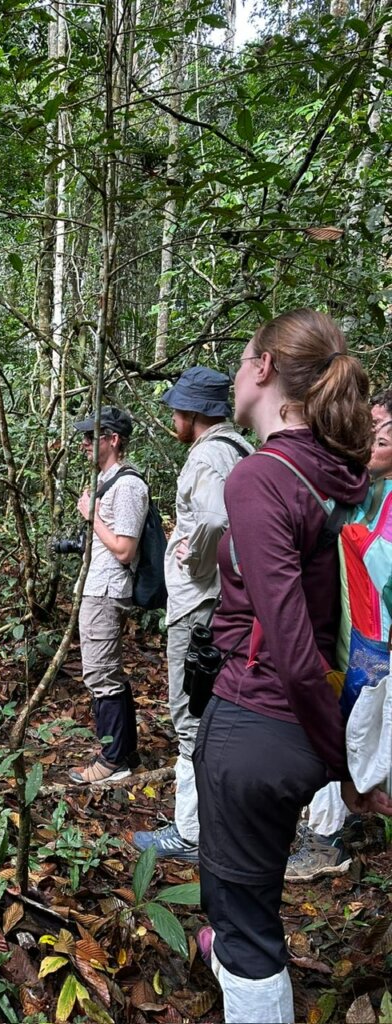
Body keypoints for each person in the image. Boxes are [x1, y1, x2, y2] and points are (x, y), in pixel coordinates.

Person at [192, 309, 392, 1023]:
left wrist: (347, 766)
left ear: (265, 368)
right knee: (251, 897)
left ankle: (246, 979)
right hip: (302, 727)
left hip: (260, 720)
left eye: (243, 358)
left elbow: (292, 648)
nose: (236, 373)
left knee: (245, 925)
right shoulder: (338, 471)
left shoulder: (260, 478)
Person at [131, 367, 252, 860]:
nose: (173, 420)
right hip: (229, 601)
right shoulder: (240, 449)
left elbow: (216, 519)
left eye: (178, 411)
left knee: (189, 712)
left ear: (194, 413)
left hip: (200, 604)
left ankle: (190, 832)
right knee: (221, 710)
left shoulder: (206, 456)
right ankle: (219, 822)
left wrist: (195, 560)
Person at [286, 389, 392, 881]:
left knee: (362, 735)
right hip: (347, 644)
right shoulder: (357, 489)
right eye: (368, 429)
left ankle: (328, 840)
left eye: (382, 436)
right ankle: (329, 831)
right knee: (341, 731)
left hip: (376, 649)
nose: (369, 441)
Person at [67, 406, 149, 785]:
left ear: (113, 439)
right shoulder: (107, 480)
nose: (84, 443)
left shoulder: (128, 485)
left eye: (91, 436)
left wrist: (92, 516)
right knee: (107, 673)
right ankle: (125, 753)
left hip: (107, 591)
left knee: (101, 675)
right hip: (96, 587)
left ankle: (111, 759)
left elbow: (124, 549)